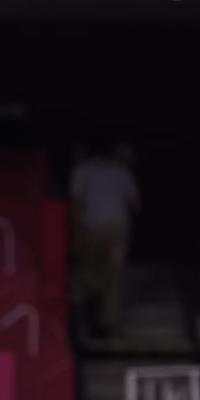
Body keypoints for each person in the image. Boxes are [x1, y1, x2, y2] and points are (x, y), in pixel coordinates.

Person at [70, 142, 139, 339]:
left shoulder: (82, 170)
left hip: (92, 226)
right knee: (112, 274)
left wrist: (76, 233)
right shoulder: (122, 172)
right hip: (117, 226)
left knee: (89, 272)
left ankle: (85, 319)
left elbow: (76, 204)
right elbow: (135, 205)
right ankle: (102, 322)